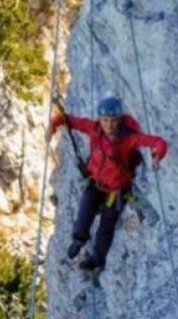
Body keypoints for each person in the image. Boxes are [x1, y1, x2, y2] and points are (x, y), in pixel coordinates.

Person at [49, 96, 168, 271]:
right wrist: (53, 125)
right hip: (96, 183)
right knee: (84, 212)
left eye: (113, 121)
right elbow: (70, 120)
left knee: (106, 226)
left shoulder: (128, 139)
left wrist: (158, 156)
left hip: (117, 190)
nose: (109, 125)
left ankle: (97, 260)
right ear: (100, 119)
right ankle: (78, 240)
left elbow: (158, 142)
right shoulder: (94, 129)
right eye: (105, 120)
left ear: (119, 121)